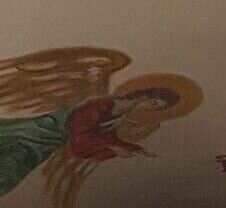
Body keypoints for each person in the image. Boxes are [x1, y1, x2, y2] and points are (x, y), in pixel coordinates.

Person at [0, 85, 181, 199]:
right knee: (11, 169)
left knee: (13, 170)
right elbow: (80, 132)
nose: (152, 108)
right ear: (144, 96)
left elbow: (106, 137)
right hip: (39, 133)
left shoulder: (120, 115)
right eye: (154, 103)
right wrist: (113, 148)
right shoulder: (102, 103)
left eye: (158, 108)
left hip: (48, 143)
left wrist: (133, 148)